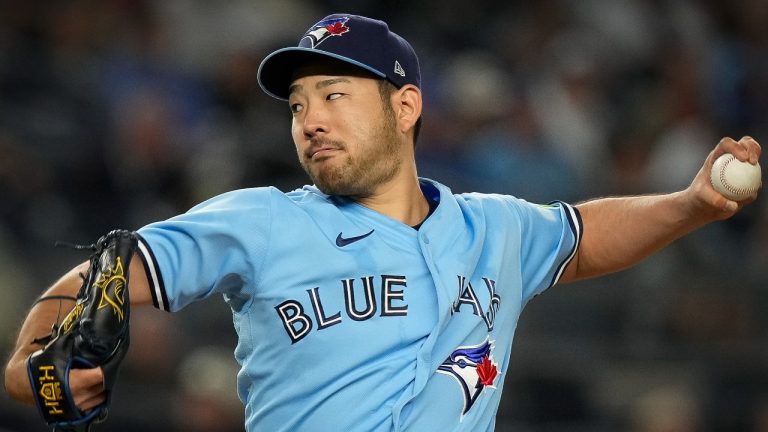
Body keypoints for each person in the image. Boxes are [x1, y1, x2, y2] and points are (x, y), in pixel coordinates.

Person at [3, 13, 762, 432]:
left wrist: (689, 204)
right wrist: (30, 356)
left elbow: (585, 234)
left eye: (334, 95)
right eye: (298, 105)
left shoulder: (493, 229)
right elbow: (106, 271)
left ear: (406, 106)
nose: (310, 121)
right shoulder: (263, 221)